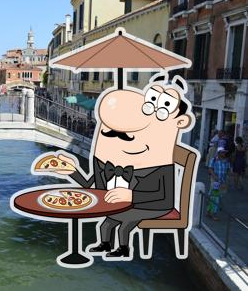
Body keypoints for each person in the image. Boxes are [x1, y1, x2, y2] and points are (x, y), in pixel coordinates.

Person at [41, 73, 195, 259]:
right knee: (106, 223)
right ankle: (104, 244)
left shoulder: (160, 165)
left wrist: (131, 195)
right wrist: (70, 171)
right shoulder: (113, 162)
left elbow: (163, 196)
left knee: (125, 221)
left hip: (156, 205)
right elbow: (91, 185)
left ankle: (123, 249)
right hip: (128, 200)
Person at [207, 149, 231, 220]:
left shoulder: (226, 161)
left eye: (224, 152)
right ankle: (214, 214)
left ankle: (209, 211)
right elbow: (210, 169)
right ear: (219, 153)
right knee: (215, 197)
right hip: (215, 182)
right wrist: (215, 176)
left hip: (222, 182)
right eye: (223, 152)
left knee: (215, 197)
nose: (224, 153)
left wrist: (228, 179)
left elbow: (228, 170)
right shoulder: (214, 160)